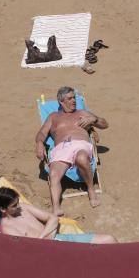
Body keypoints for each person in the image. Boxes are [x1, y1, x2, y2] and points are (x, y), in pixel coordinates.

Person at [35, 86, 107, 215]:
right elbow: (41, 133)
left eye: (74, 97)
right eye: (70, 98)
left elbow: (105, 124)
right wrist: (39, 143)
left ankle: (90, 189)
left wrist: (94, 120)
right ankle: (56, 207)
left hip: (80, 145)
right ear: (61, 101)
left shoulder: (82, 113)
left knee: (81, 158)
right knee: (53, 174)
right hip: (61, 148)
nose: (74, 100)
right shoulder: (53, 117)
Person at [0, 187, 117, 243]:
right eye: (14, 205)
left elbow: (53, 218)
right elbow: (29, 249)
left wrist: (42, 237)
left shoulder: (23, 208)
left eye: (18, 202)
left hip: (59, 238)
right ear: (3, 209)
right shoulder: (8, 229)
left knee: (110, 239)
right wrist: (48, 234)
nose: (19, 206)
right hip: (52, 252)